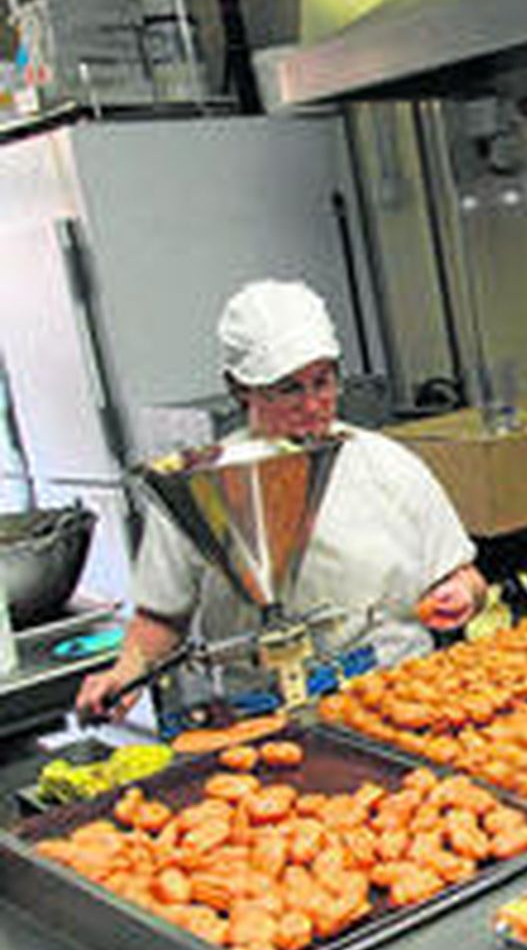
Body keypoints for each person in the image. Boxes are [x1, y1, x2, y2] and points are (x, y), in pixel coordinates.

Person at [76, 279, 486, 721]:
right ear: (240, 389)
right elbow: (161, 617)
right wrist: (125, 672)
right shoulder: (201, 485)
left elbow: (465, 576)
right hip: (260, 715)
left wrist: (461, 593)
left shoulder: (388, 466)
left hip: (397, 698)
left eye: (323, 382)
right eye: (288, 389)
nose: (313, 406)